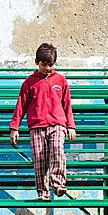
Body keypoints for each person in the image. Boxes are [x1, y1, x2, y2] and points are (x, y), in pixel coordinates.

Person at [8, 43, 76, 201]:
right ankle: (43, 192)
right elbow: (21, 105)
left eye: (50, 65)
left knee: (58, 150)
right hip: (37, 127)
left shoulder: (61, 80)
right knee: (39, 159)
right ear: (36, 62)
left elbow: (67, 104)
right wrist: (14, 127)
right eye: (44, 64)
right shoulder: (29, 82)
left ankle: (58, 184)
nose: (47, 68)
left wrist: (70, 126)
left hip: (57, 125)